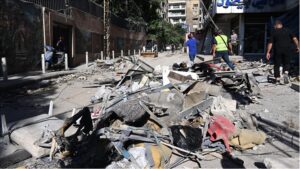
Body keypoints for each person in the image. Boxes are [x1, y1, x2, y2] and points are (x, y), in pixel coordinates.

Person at [266, 20, 300, 84]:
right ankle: (286, 72)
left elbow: (270, 43)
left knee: (277, 65)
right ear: (281, 25)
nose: (274, 27)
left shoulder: (274, 32)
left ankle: (277, 79)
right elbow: (295, 38)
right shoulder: (288, 30)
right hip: (287, 50)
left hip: (277, 50)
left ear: (276, 25)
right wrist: (298, 46)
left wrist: (268, 52)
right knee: (286, 63)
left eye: (274, 26)